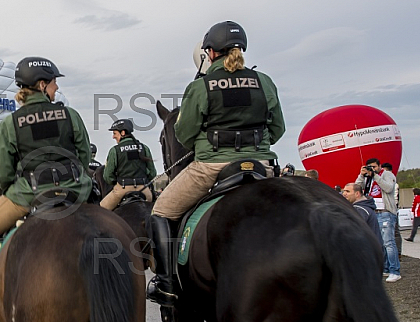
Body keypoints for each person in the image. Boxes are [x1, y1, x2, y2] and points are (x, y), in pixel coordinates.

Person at [148, 21, 285, 306]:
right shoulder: (264, 82)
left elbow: (183, 133)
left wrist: (205, 142)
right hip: (261, 164)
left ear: (210, 53)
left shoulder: (201, 86)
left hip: (211, 167)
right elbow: (278, 128)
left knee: (161, 211)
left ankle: (166, 284)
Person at [0, 56, 92, 322]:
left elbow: (4, 173)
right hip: (75, 190)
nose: (56, 89)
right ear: (42, 85)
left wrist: (13, 189)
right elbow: (84, 156)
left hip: (30, 193)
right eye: (54, 83)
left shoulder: (10, 124)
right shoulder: (70, 115)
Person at [356, 158, 401, 282]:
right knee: (379, 243)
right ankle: (386, 267)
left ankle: (395, 270)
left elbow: (388, 188)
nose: (372, 169)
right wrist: (361, 175)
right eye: (369, 167)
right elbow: (357, 189)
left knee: (389, 242)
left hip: (385, 212)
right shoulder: (367, 177)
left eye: (374, 167)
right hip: (373, 212)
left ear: (379, 166)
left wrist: (375, 176)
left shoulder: (386, 174)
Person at [99, 118, 156, 210]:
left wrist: (116, 182)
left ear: (123, 133)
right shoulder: (144, 148)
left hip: (122, 189)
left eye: (114, 133)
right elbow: (153, 173)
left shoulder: (115, 150)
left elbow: (107, 176)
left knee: (101, 212)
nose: (113, 137)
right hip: (145, 190)